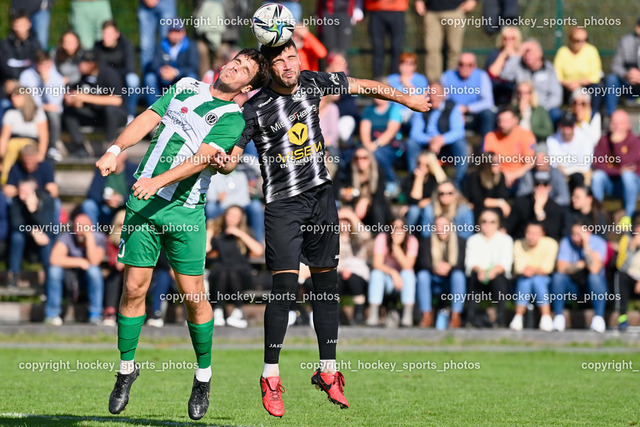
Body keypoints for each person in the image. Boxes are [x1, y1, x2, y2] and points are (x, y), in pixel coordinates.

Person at [215, 38, 430, 417]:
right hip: (283, 206)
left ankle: (328, 371)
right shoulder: (255, 108)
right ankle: (270, 377)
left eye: (292, 57)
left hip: (321, 200)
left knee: (325, 287)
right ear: (268, 68)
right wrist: (225, 162)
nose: (288, 65)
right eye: (279, 61)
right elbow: (234, 156)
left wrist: (406, 100)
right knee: (283, 287)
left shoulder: (313, 82)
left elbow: (365, 85)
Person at [94, 48, 268, 420]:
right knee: (134, 289)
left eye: (243, 69)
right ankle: (126, 370)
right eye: (234, 61)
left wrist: (156, 181)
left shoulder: (232, 118)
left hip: (185, 213)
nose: (233, 67)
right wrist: (115, 149)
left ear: (247, 86)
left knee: (192, 296)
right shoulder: (186, 86)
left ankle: (202, 376)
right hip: (144, 206)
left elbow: (202, 159)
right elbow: (147, 117)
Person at [62, 50, 127, 157]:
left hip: (115, 117)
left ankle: (109, 146)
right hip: (95, 116)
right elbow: (78, 101)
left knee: (111, 109)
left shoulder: (108, 74)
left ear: (90, 64)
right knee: (69, 112)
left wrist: (85, 97)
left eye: (81, 63)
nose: (78, 66)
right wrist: (73, 100)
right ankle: (80, 147)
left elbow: (117, 100)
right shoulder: (81, 78)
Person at [44, 213, 106, 325]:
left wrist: (89, 238)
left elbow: (94, 261)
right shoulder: (67, 236)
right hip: (69, 276)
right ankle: (52, 315)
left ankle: (95, 315)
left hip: (87, 278)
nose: (80, 230)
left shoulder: (99, 238)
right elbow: (54, 259)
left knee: (94, 272)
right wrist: (80, 262)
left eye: (84, 226)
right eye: (78, 226)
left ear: (91, 227)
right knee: (54, 271)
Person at [208, 205, 264, 328]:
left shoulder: (246, 232)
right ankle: (217, 311)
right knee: (223, 271)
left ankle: (238, 311)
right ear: (225, 216)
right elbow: (206, 249)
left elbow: (259, 251)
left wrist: (240, 233)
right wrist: (210, 231)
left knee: (233, 272)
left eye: (236, 216)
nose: (232, 219)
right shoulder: (218, 233)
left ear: (240, 219)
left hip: (241, 275)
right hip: (220, 275)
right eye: (230, 215)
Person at [551, 221, 608, 333]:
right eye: (573, 234)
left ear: (588, 233)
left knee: (594, 278)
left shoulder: (599, 243)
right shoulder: (566, 242)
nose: (575, 238)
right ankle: (558, 318)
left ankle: (598, 319)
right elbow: (561, 268)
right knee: (558, 277)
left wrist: (586, 245)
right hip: (572, 284)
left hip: (593, 287)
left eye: (579, 234)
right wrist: (581, 264)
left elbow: (594, 269)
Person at [407, 82, 466, 186]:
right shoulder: (421, 107)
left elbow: (458, 131)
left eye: (436, 93)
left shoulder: (452, 108)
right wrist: (431, 140)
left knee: (461, 145)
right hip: (426, 145)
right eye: (431, 93)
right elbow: (415, 133)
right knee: (411, 143)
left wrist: (441, 140)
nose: (434, 97)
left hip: (447, 146)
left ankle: (459, 183)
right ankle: (415, 180)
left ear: (443, 95)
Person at [465, 209, 513, 327]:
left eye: (492, 221)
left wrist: (493, 271)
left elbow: (506, 263)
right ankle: (470, 319)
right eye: (484, 221)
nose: (488, 224)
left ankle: (500, 319)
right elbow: (470, 263)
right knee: (474, 279)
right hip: (479, 275)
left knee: (499, 280)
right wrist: (480, 271)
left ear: (497, 224)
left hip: (498, 276)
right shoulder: (473, 240)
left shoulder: (506, 239)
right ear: (479, 223)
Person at [416, 215, 466, 328]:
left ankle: (455, 316)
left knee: (459, 276)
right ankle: (426, 315)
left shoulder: (460, 242)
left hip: (451, 279)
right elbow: (422, 263)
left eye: (445, 226)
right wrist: (435, 267)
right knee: (422, 276)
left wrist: (449, 267)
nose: (441, 229)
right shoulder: (426, 241)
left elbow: (462, 264)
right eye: (438, 226)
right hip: (433, 278)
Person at [367, 217, 418, 328]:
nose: (397, 230)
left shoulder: (412, 241)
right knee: (376, 274)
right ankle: (373, 315)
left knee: (408, 274)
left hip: (404, 283)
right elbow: (377, 264)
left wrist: (396, 246)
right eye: (394, 227)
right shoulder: (382, 238)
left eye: (401, 228)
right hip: (386, 280)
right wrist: (393, 273)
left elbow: (408, 266)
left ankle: (407, 317)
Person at [591, 109, 640, 221]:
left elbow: (628, 165)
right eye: (614, 123)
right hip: (612, 183)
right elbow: (598, 164)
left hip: (633, 186)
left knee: (627, 176)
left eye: (620, 123)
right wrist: (618, 171)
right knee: (597, 176)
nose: (616, 126)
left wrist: (617, 144)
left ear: (627, 125)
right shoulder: (604, 140)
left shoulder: (635, 141)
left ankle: (629, 215)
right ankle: (598, 215)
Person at [509, 222, 558, 332]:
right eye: (529, 233)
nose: (532, 236)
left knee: (536, 280)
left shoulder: (551, 244)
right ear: (525, 233)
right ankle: (544, 317)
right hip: (525, 278)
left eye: (536, 233)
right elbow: (519, 268)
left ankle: (520, 317)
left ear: (542, 234)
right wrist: (535, 270)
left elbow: (547, 268)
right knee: (526, 280)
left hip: (546, 280)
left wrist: (532, 270)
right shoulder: (518, 244)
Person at [500, 39, 562, 123]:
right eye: (524, 52)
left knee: (556, 114)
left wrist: (541, 109)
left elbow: (556, 96)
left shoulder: (549, 69)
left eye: (530, 51)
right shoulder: (518, 65)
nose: (527, 55)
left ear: (540, 53)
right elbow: (504, 75)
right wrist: (517, 54)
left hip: (544, 108)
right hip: (521, 107)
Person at [7, 178, 54, 289]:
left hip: (42, 237)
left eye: (26, 193)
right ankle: (14, 276)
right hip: (25, 237)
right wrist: (32, 231)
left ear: (34, 191)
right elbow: (16, 224)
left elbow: (48, 225)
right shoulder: (16, 201)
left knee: (45, 240)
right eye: (20, 192)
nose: (22, 196)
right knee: (16, 237)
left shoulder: (47, 200)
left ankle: (48, 278)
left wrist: (34, 211)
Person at [415, 0, 477, 82]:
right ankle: (434, 84)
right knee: (431, 49)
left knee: (454, 50)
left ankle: (452, 82)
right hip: (431, 11)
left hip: (455, 10)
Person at [19, 50, 65, 160]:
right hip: (32, 109)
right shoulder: (26, 75)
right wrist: (42, 106)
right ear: (36, 64)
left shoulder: (57, 77)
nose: (44, 68)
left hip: (50, 111)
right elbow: (26, 99)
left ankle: (53, 147)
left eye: (46, 65)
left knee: (53, 113)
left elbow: (55, 102)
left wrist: (46, 83)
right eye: (41, 65)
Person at [359, 87, 404, 193]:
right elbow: (364, 131)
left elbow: (391, 132)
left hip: (391, 147)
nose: (379, 96)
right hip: (369, 145)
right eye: (376, 93)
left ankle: (393, 181)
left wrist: (374, 146)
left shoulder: (394, 109)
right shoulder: (368, 110)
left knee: (378, 154)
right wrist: (368, 146)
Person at [93, 20, 140, 121]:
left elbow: (130, 68)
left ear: (117, 34)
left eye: (109, 34)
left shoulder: (126, 45)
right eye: (104, 34)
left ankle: (130, 116)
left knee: (133, 80)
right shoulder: (97, 47)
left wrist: (113, 74)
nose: (106, 37)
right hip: (104, 81)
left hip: (121, 78)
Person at [441, 52, 495, 138]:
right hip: (452, 114)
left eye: (469, 65)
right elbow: (442, 100)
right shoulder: (447, 76)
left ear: (475, 66)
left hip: (475, 114)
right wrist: (456, 111)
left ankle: (487, 148)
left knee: (488, 114)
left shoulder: (482, 76)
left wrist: (467, 109)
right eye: (461, 64)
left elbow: (488, 102)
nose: (464, 68)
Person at [144, 22, 199, 107]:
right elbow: (153, 65)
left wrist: (176, 72)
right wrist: (161, 70)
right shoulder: (160, 45)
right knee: (149, 78)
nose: (175, 35)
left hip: (181, 77)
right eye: (172, 32)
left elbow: (194, 66)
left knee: (192, 77)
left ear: (184, 33)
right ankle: (153, 109)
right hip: (163, 77)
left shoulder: (191, 45)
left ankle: (187, 109)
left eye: (178, 32)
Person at [0, 87, 48, 183]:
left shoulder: (38, 113)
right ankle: (5, 177)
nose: (13, 98)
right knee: (12, 145)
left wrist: (41, 155)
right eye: (12, 95)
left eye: (17, 95)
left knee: (18, 146)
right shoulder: (10, 114)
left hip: (31, 144)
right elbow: (4, 138)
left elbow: (44, 137)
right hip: (13, 145)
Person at [482, 105, 536, 191]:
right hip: (497, 175)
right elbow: (488, 162)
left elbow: (530, 163)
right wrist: (503, 175)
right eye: (500, 121)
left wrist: (514, 175)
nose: (502, 124)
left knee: (528, 176)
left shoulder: (526, 135)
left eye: (506, 121)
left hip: (519, 176)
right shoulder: (490, 137)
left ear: (515, 120)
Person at [339, 147, 392, 230]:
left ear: (370, 159)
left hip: (375, 207)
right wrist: (346, 196)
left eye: (364, 158)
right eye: (357, 158)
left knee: (377, 208)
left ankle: (379, 235)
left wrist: (366, 201)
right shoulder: (351, 172)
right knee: (344, 212)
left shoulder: (379, 172)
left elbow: (379, 196)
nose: (360, 161)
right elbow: (347, 190)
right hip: (356, 207)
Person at [506, 171, 568, 241]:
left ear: (549, 187)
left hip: (543, 246)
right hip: (522, 243)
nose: (540, 187)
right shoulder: (521, 202)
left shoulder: (555, 207)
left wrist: (539, 211)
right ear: (533, 186)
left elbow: (553, 233)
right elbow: (509, 227)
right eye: (537, 184)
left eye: (544, 184)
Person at [82, 150, 137, 227]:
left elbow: (137, 194)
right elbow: (92, 193)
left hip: (125, 208)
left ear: (124, 156)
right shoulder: (102, 169)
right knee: (88, 205)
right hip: (104, 207)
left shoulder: (134, 170)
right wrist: (107, 200)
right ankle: (94, 236)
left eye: (116, 155)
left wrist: (122, 199)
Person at [554, 27, 603, 111]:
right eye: (577, 40)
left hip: (586, 86)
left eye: (584, 40)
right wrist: (568, 84)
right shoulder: (562, 52)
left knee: (596, 89)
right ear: (570, 40)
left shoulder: (591, 51)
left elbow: (595, 75)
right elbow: (556, 75)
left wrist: (578, 84)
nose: (581, 43)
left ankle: (593, 117)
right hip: (566, 88)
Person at [337, 207, 371, 325]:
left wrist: (351, 215)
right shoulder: (332, 237)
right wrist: (342, 269)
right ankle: (334, 314)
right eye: (341, 220)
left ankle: (359, 315)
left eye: (346, 220)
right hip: (339, 271)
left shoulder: (357, 237)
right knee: (334, 281)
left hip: (358, 272)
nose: (344, 223)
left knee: (354, 280)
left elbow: (366, 235)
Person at [546, 111, 593, 191]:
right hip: (560, 175)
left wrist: (566, 168)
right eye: (564, 126)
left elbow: (585, 164)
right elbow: (554, 163)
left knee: (578, 177)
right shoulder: (552, 140)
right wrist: (571, 167)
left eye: (570, 126)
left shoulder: (585, 138)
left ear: (574, 126)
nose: (567, 130)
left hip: (579, 175)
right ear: (560, 126)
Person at [605, 18, 640, 117]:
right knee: (611, 79)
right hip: (627, 81)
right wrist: (627, 74)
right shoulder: (625, 41)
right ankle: (611, 117)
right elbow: (615, 65)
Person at [364, 0, 408, 78]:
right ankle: (377, 79)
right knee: (377, 49)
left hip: (397, 10)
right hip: (376, 10)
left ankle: (394, 80)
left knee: (396, 48)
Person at [463, 152, 510, 222]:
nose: (498, 165)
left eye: (499, 162)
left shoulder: (500, 176)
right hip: (478, 209)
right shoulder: (475, 176)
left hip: (495, 209)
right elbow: (478, 200)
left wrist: (499, 203)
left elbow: (502, 196)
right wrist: (500, 203)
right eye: (495, 163)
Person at [405, 151, 446, 228]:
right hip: (414, 210)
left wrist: (428, 201)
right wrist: (419, 179)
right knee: (414, 210)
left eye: (425, 165)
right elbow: (414, 200)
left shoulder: (435, 180)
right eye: (419, 163)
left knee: (428, 209)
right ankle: (408, 236)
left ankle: (426, 238)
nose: (421, 167)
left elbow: (440, 197)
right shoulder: (411, 179)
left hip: (432, 209)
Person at [138, 0, 177, 78]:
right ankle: (148, 82)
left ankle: (169, 79)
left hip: (167, 3)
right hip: (145, 5)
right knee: (146, 45)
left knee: (167, 42)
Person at [0, 12, 41, 86]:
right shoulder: (5, 45)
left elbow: (38, 66)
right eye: (16, 25)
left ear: (29, 24)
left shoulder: (35, 45)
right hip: (10, 84)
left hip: (30, 84)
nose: (19, 29)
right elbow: (5, 68)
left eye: (22, 25)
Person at [615, 216, 640, 331]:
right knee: (620, 276)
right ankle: (623, 317)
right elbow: (621, 266)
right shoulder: (626, 239)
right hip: (629, 278)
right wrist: (631, 248)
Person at [486, 26, 522, 105]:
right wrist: (503, 55)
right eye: (506, 38)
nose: (509, 41)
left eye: (512, 38)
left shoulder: (522, 55)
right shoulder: (495, 54)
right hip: (497, 94)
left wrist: (514, 56)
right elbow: (492, 74)